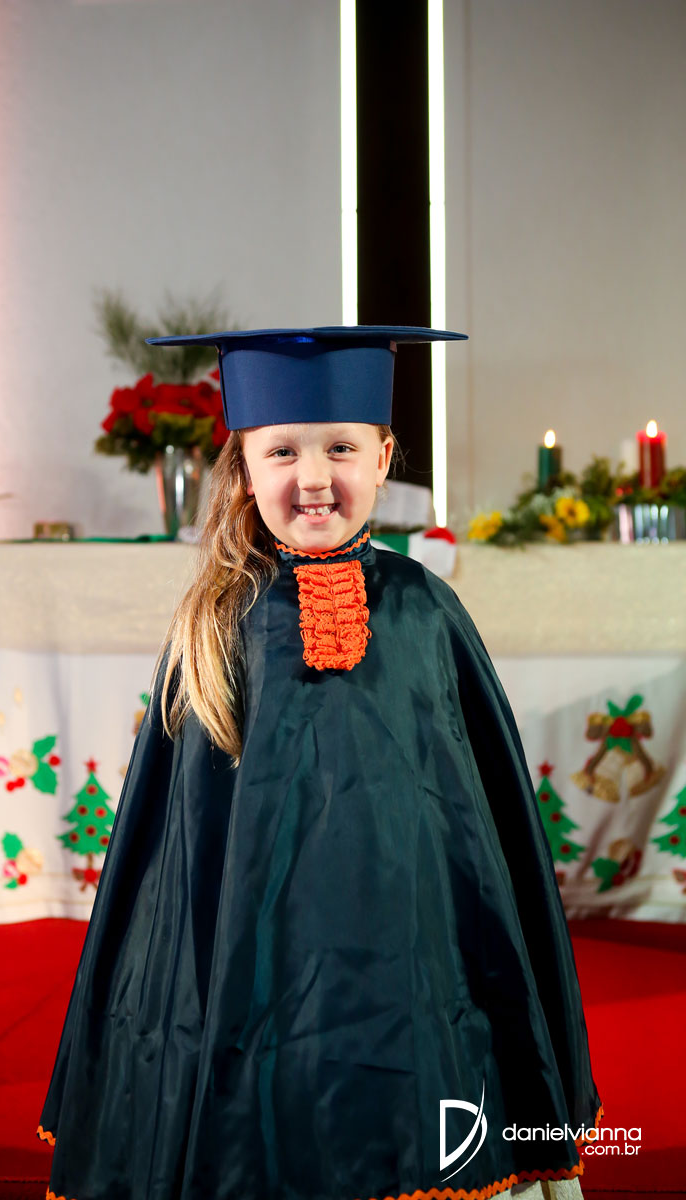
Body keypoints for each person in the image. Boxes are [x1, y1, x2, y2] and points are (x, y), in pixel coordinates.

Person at [37, 327, 602, 1200]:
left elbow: (476, 815)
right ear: (243, 467)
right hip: (250, 958)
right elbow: (179, 840)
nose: (312, 477)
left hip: (410, 950)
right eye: (282, 452)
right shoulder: (214, 624)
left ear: (383, 459)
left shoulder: (426, 611)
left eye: (340, 448)